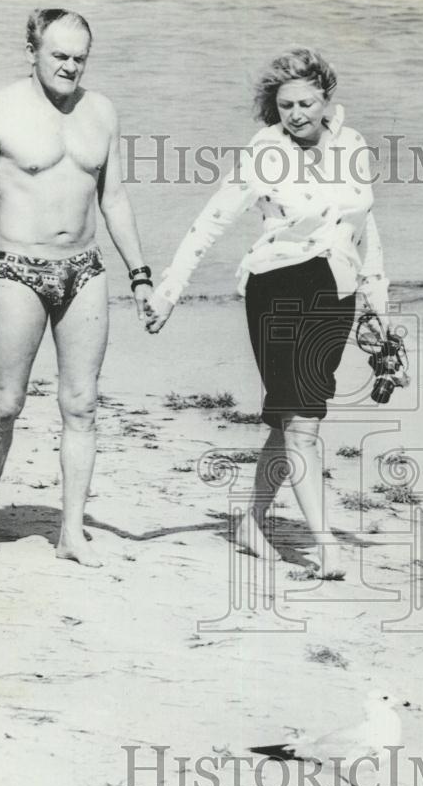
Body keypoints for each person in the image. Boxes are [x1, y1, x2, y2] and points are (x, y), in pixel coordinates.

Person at [146, 47, 389, 567]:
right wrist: (169, 290)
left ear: (326, 99)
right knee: (303, 424)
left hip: (337, 292)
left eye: (306, 102)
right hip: (277, 287)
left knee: (289, 422)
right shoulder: (263, 153)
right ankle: (326, 548)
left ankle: (250, 522)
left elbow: (365, 227)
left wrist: (378, 301)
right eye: (285, 106)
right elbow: (210, 222)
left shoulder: (352, 144)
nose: (296, 114)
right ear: (273, 109)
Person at [0, 9, 153, 566]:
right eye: (59, 55)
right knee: (6, 403)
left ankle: (71, 532)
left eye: (79, 57)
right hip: (18, 269)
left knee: (83, 405)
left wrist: (139, 275)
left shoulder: (102, 111)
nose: (70, 66)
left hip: (86, 269)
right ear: (32, 52)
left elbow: (113, 199)